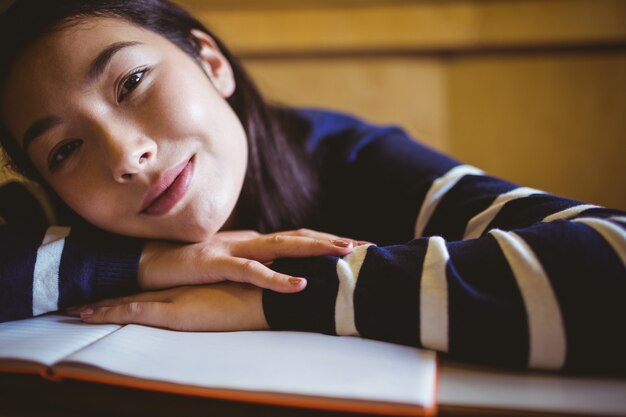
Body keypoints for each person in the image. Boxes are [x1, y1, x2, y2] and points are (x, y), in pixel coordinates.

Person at [0, 0, 624, 375]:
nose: (127, 156)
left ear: (211, 64)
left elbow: (612, 253)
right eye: (64, 149)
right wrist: (146, 264)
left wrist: (278, 295)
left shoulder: (352, 158)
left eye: (131, 82)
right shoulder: (50, 213)